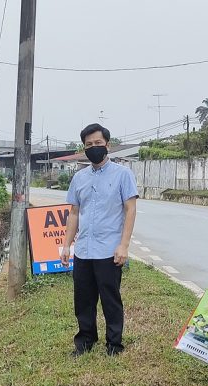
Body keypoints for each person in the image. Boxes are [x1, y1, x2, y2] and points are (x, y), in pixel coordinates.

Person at [61, 123, 138, 356]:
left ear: (107, 145)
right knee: (83, 299)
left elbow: (130, 210)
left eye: (97, 143)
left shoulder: (123, 174)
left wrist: (124, 245)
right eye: (88, 145)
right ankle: (85, 340)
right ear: (84, 148)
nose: (94, 148)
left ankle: (114, 344)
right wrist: (66, 245)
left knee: (110, 299)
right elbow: (74, 213)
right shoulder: (79, 178)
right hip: (84, 249)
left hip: (109, 250)